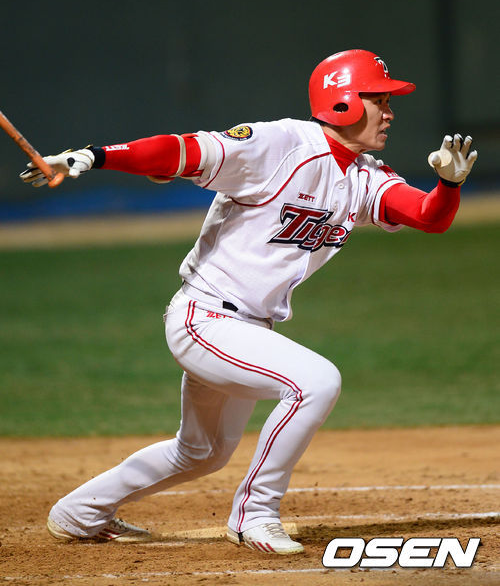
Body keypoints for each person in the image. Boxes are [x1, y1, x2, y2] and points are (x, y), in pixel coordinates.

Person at [20, 49, 477, 555]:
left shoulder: (364, 175)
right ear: (343, 101)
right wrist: (96, 155)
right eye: (380, 100)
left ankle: (79, 513)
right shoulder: (280, 143)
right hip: (204, 319)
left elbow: (428, 216)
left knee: (201, 452)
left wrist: (449, 185)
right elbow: (181, 150)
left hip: (247, 330)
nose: (390, 112)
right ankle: (254, 515)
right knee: (316, 382)